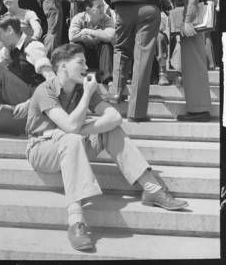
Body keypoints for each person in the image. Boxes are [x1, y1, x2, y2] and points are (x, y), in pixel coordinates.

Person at [26, 43, 188, 251]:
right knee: (72, 139)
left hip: (70, 143)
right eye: (80, 62)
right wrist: (82, 107)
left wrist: (80, 128)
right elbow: (68, 125)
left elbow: (113, 117)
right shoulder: (45, 90)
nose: (86, 67)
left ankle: (152, 189)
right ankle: (76, 221)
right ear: (63, 66)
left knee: (109, 130)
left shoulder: (84, 87)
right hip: (41, 148)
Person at [173, 0, 218, 122]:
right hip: (201, 21)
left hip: (193, 22)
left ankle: (198, 110)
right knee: (196, 65)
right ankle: (199, 108)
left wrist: (188, 20)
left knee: (193, 67)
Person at [68, 0, 114, 84]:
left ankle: (107, 80)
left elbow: (111, 36)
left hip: (99, 57)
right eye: (98, 7)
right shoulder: (78, 18)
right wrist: (100, 34)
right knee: (77, 46)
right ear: (88, 9)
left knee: (106, 45)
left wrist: (89, 31)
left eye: (103, 6)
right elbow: (72, 36)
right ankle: (80, 78)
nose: (102, 9)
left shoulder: (107, 19)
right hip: (85, 57)